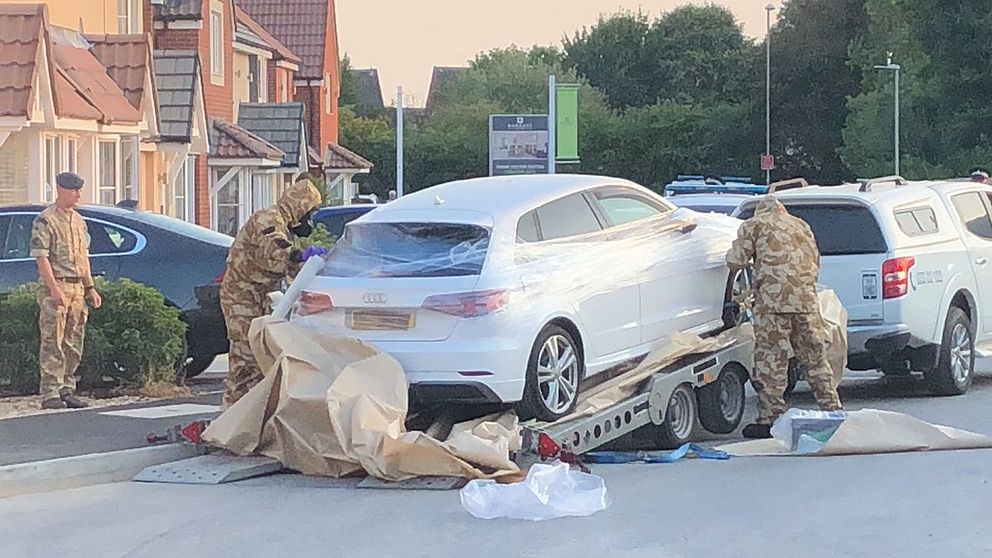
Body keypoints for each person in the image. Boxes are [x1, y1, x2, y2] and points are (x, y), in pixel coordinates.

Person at [726, 196, 842, 439]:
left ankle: (771, 418)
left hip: (773, 305)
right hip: (807, 303)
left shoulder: (754, 225)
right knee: (815, 358)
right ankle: (832, 409)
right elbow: (815, 262)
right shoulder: (801, 226)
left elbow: (735, 261)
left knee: (772, 362)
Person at [219, 178, 324, 408]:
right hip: (241, 296)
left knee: (259, 356)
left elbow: (292, 271)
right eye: (309, 214)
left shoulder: (285, 227)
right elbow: (273, 249)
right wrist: (298, 256)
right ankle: (232, 416)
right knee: (245, 358)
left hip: (258, 297)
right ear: (300, 208)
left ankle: (250, 416)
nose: (310, 221)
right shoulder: (268, 219)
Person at [30, 172, 103, 410]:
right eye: (74, 191)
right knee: (53, 341)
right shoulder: (46, 220)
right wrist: (53, 289)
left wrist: (90, 287)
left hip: (77, 287)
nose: (78, 195)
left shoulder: (78, 221)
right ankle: (51, 392)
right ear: (61, 190)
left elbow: (83, 258)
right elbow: (42, 258)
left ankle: (67, 388)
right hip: (58, 285)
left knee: (73, 340)